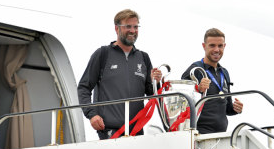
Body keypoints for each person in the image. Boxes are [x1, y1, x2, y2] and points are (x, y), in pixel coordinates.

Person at [78, 9, 162, 139]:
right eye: (128, 26)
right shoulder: (102, 54)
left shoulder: (144, 57)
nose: (133, 31)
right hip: (109, 132)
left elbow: (151, 94)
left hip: (137, 131)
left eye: (136, 27)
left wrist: (155, 81)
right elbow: (84, 87)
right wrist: (92, 114)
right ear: (117, 29)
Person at [181, 28, 243, 134]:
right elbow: (181, 104)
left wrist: (235, 109)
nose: (216, 50)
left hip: (221, 134)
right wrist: (198, 89)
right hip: (198, 134)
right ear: (204, 46)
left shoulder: (224, 72)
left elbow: (227, 108)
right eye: (212, 45)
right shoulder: (195, 69)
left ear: (224, 46)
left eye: (220, 46)